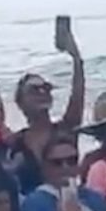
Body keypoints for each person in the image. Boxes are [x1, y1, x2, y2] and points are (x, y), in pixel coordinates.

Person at [9, 26, 86, 193]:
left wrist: (76, 58)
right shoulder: (16, 141)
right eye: (34, 90)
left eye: (46, 88)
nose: (42, 92)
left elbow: (78, 96)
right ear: (20, 102)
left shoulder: (65, 130)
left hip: (65, 201)